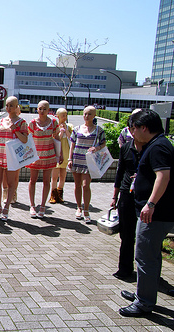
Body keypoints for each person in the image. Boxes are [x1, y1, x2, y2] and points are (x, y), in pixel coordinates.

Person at [119, 110, 174, 317]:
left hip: (155, 214)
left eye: (134, 128)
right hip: (155, 212)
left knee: (145, 257)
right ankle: (144, 293)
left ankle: (144, 303)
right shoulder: (158, 143)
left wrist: (150, 203)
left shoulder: (158, 146)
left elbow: (163, 177)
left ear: (144, 127)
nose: (132, 133)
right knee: (149, 256)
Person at [110, 113, 144, 281]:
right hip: (126, 193)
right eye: (132, 128)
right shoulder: (126, 148)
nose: (133, 131)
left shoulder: (152, 148)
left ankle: (148, 273)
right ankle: (124, 269)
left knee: (144, 235)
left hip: (145, 195)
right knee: (126, 234)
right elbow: (120, 172)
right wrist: (114, 196)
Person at [0, 96, 28, 221]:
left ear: (17, 107)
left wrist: (15, 131)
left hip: (12, 156)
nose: (9, 108)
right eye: (7, 105)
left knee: (11, 183)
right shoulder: (0, 121)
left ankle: (6, 207)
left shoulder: (21, 122)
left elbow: (25, 139)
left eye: (12, 105)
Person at [68, 106, 106, 224]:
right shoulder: (77, 129)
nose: (86, 116)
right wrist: (70, 159)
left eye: (89, 114)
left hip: (88, 161)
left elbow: (104, 143)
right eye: (85, 114)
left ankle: (86, 209)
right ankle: (79, 207)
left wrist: (97, 147)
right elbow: (72, 145)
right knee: (77, 184)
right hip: (77, 159)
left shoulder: (99, 130)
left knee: (86, 185)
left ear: (94, 115)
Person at [27, 100, 59, 218]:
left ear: (48, 110)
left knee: (46, 181)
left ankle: (43, 206)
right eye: (40, 108)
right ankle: (32, 205)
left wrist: (59, 155)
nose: (42, 111)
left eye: (45, 108)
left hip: (49, 155)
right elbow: (28, 139)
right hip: (35, 155)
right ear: (37, 109)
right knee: (33, 180)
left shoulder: (53, 122)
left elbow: (57, 138)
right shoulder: (33, 123)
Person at [49, 108, 73, 204]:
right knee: (54, 176)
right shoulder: (54, 126)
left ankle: (60, 194)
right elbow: (54, 137)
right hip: (57, 152)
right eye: (62, 115)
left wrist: (66, 130)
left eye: (66, 115)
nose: (64, 117)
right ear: (57, 116)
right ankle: (53, 195)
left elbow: (71, 138)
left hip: (66, 152)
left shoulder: (70, 126)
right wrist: (61, 131)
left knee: (63, 175)